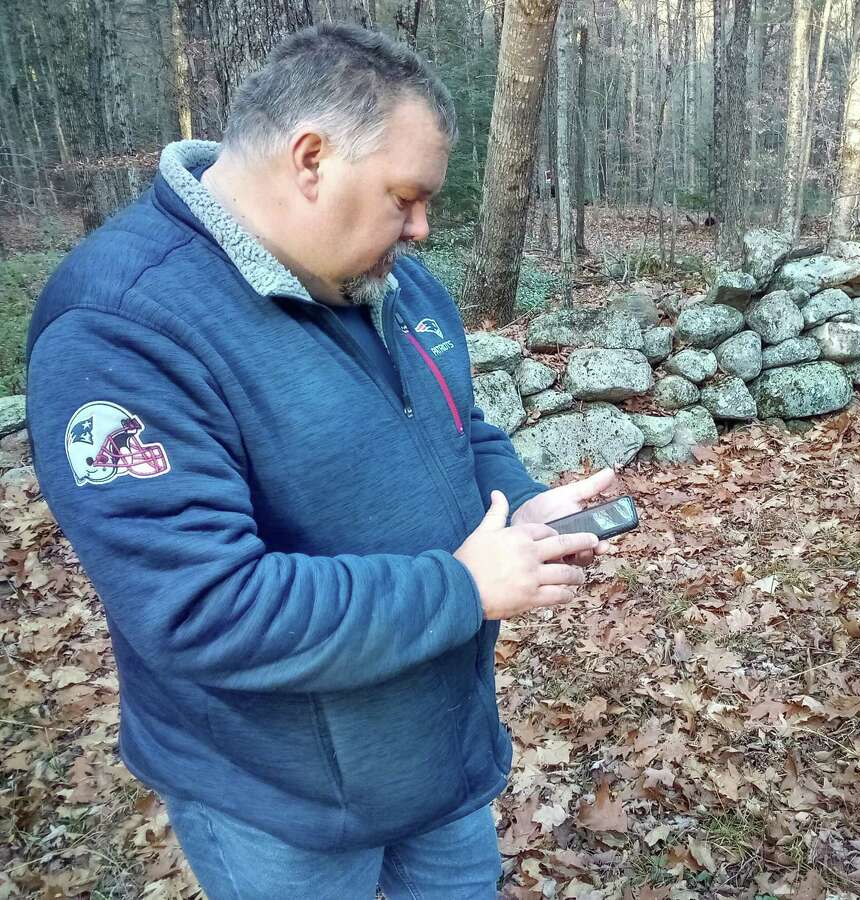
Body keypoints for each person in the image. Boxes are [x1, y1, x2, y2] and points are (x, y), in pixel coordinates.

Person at [25, 24, 617, 899]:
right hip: (279, 803)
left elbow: (463, 430)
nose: (422, 228)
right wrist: (461, 589)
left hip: (439, 755)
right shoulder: (122, 327)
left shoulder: (388, 280)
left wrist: (518, 507)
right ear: (311, 159)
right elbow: (203, 608)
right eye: (405, 197)